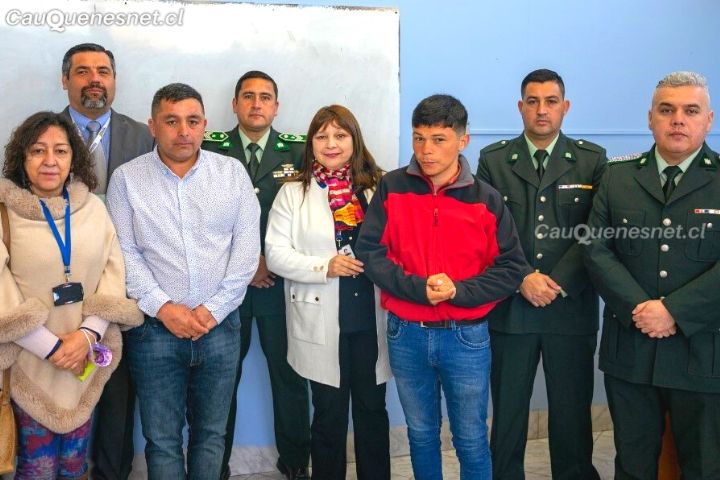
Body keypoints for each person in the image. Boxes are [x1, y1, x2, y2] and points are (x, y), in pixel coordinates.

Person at [356, 94, 526, 479]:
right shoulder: (391, 187)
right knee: (420, 434)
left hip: (466, 337)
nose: (426, 150)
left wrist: (458, 291)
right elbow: (370, 251)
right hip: (406, 334)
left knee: (470, 438)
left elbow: (511, 268)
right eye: (419, 138)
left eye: (438, 139)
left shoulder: (486, 199)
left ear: (463, 140)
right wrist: (417, 288)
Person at [106, 83, 260, 480]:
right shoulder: (126, 180)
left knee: (211, 435)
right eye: (171, 121)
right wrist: (164, 308)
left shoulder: (232, 174)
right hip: (154, 332)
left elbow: (245, 252)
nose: (183, 132)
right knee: (161, 440)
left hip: (220, 329)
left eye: (192, 121)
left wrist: (213, 309)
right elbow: (124, 253)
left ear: (205, 124)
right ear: (152, 126)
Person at [583, 71, 720, 479]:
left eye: (690, 110)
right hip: (632, 351)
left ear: (708, 119)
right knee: (633, 465)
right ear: (650, 118)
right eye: (666, 110)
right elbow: (595, 247)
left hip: (703, 354)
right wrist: (641, 308)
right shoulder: (618, 176)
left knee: (705, 467)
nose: (678, 119)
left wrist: (674, 310)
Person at [476, 68, 607, 479]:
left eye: (551, 101)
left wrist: (556, 282)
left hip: (570, 309)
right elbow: (483, 231)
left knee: (572, 413)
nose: (542, 110)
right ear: (521, 107)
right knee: (508, 413)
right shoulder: (495, 160)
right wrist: (523, 278)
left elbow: (596, 231)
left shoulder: (591, 159)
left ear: (565, 107)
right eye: (532, 102)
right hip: (511, 309)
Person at [0, 111, 143, 479]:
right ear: (21, 158)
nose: (50, 161)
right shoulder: (4, 213)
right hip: (27, 362)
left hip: (83, 361)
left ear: (73, 159)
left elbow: (113, 272)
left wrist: (86, 337)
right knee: (36, 468)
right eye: (38, 151)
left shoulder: (92, 208)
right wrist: (52, 348)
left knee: (74, 466)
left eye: (60, 151)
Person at [265, 105, 392, 480]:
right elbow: (276, 254)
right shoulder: (294, 193)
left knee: (372, 412)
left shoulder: (379, 187)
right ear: (311, 144)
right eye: (322, 136)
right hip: (322, 319)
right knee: (328, 416)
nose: (331, 144)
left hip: (370, 318)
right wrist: (325, 266)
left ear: (355, 140)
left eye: (340, 135)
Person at [201, 70, 310, 480]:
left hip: (281, 288)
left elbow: (308, 219)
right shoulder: (209, 149)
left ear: (276, 107)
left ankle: (296, 463)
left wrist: (270, 261)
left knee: (290, 377)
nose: (256, 104)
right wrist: (246, 264)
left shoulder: (299, 151)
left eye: (265, 97)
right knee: (220, 381)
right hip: (224, 288)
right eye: (248, 96)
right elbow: (198, 218)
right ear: (234, 105)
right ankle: (214, 466)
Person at [59, 42, 153, 480]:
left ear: (114, 80)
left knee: (117, 389)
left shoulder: (143, 136)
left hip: (125, 281)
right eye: (83, 71)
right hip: (61, 281)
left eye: (104, 71)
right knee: (61, 378)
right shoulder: (44, 133)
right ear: (66, 80)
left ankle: (111, 472)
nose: (95, 79)